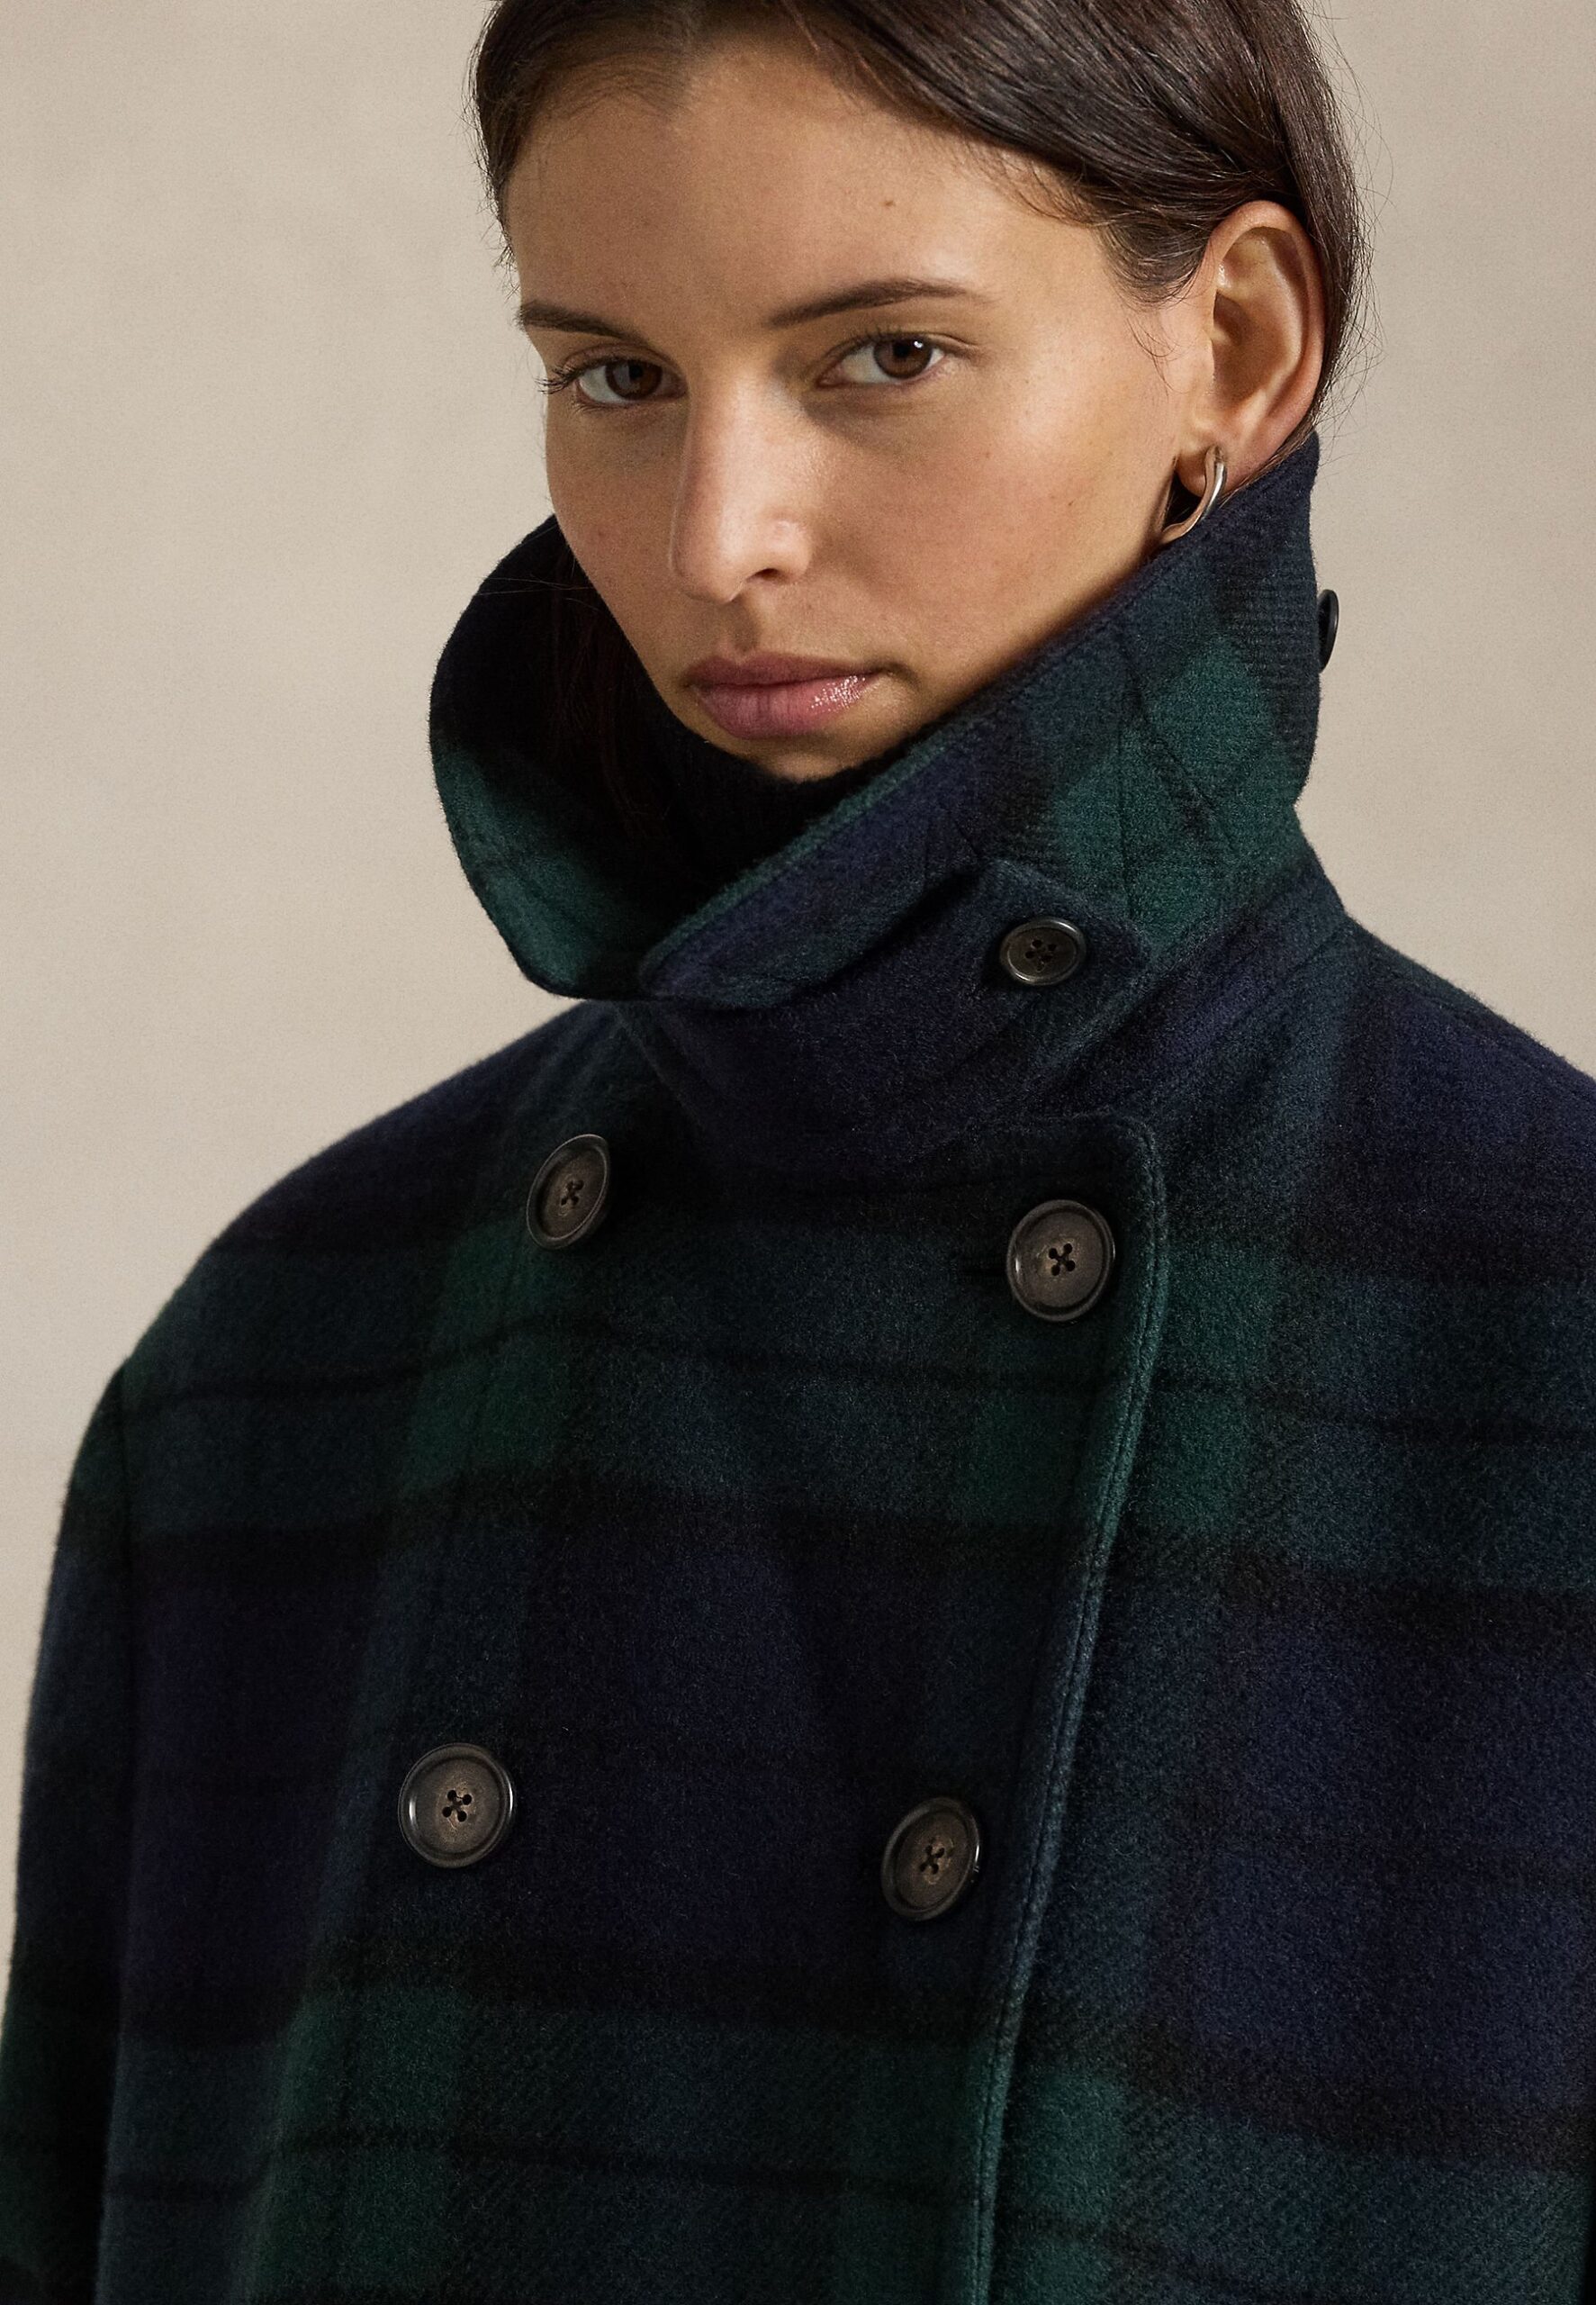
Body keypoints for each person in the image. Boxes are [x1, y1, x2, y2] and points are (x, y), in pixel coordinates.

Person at [4, 2, 1594, 2298]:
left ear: (1233, 349)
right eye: (614, 376)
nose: (715, 536)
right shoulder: (283, 1370)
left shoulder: (1539, 1355)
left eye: (880, 359)